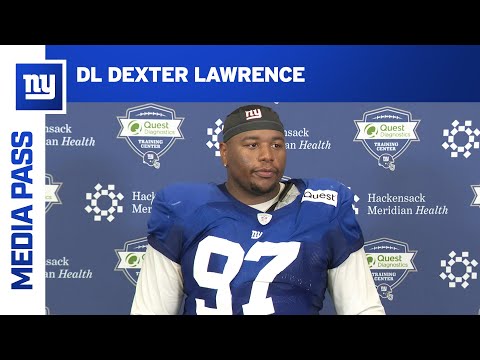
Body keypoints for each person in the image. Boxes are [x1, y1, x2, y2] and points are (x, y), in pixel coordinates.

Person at [130, 104, 386, 315]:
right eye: (252, 145)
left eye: (276, 145)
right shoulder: (182, 209)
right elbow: (151, 310)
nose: (267, 155)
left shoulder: (324, 207)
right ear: (224, 153)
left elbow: (362, 308)